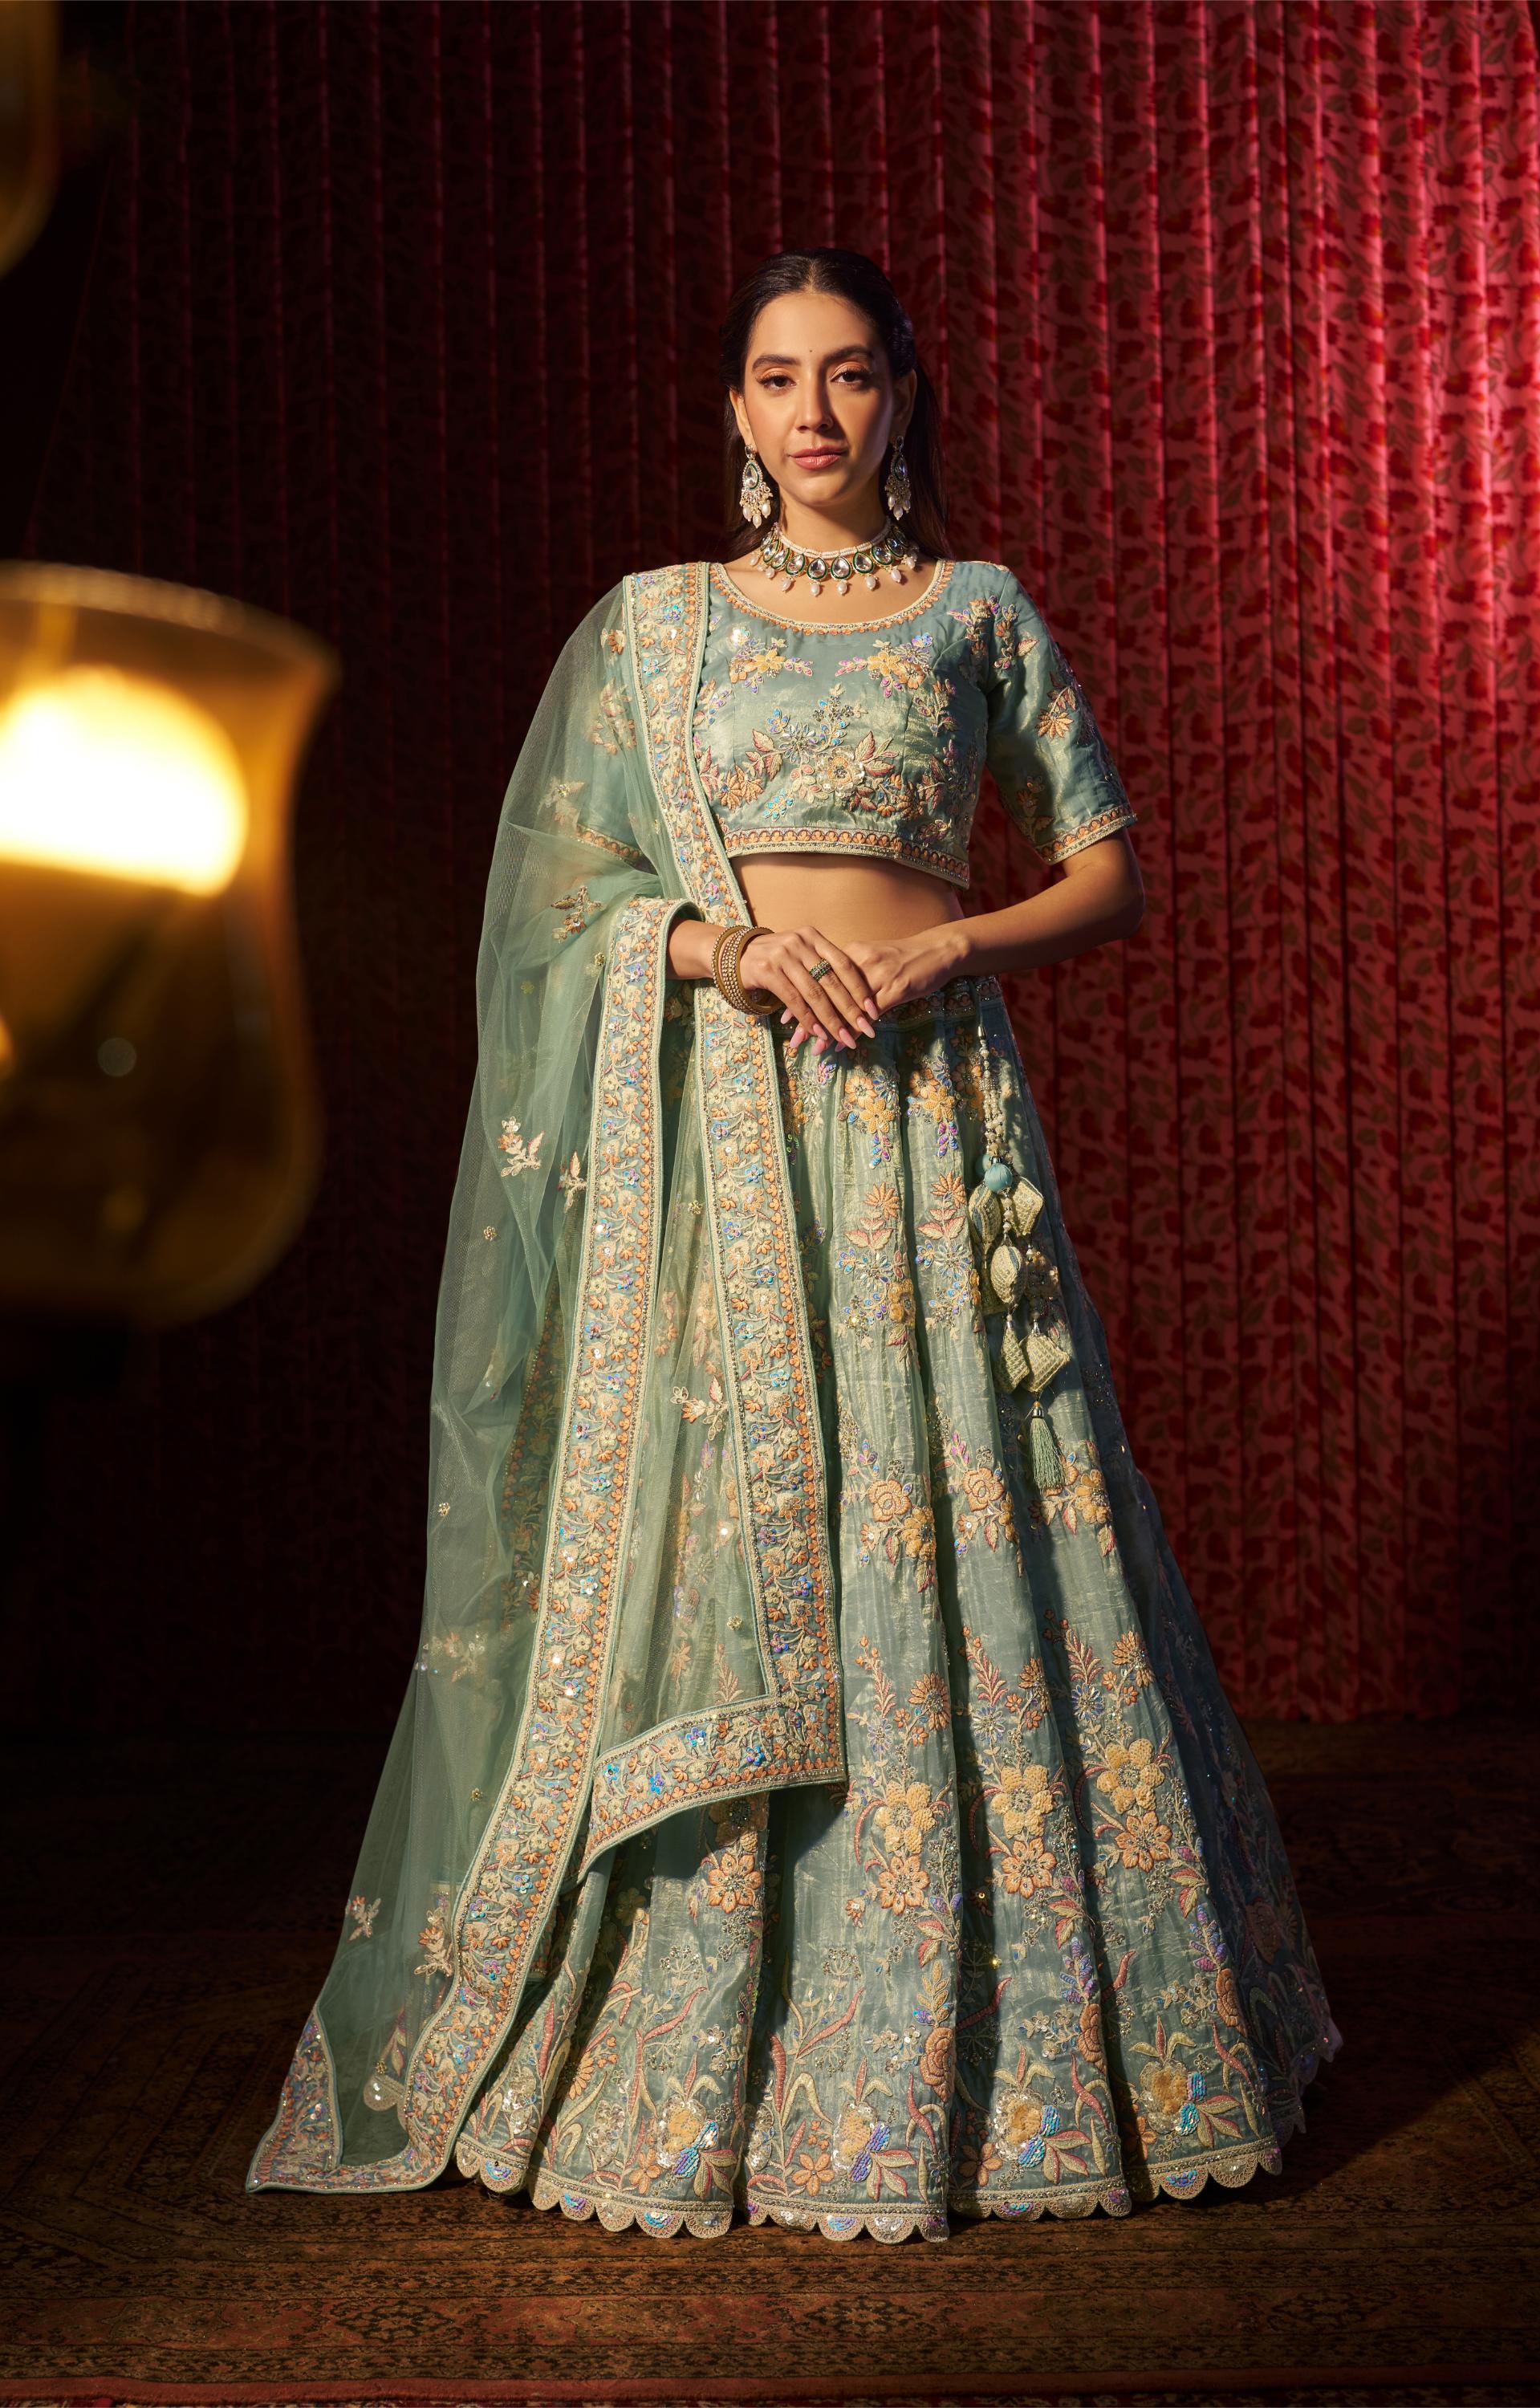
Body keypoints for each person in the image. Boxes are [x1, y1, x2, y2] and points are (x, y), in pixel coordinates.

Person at [247, 248, 1342, 2243]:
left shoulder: (977, 611)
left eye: (849, 375)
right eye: (776, 378)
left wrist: (947, 949)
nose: (815, 412)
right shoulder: (653, 627)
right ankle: (703, 2041)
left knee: (969, 1530)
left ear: (903, 398)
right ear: (735, 412)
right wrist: (723, 947)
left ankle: (1012, 2045)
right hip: (728, 1147)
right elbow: (557, 900)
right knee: (728, 1546)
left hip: (929, 1128)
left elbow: (1105, 873)